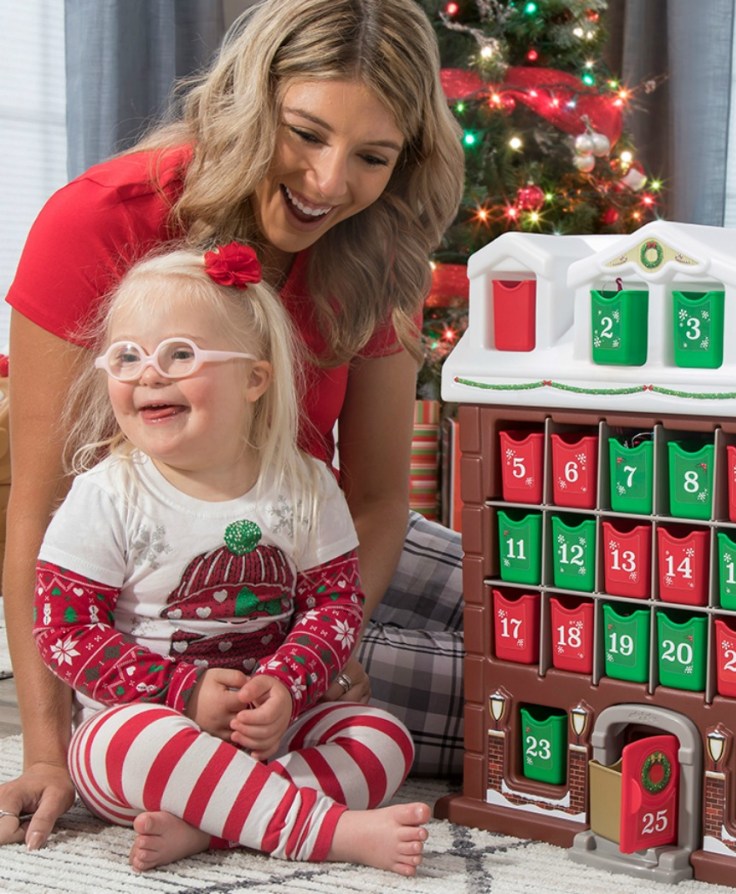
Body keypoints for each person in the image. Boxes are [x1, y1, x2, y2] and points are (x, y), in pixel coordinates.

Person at [0, 0, 465, 852]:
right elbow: (40, 504)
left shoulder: (382, 250)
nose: (330, 182)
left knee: (553, 604)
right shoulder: (99, 219)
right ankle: (293, 816)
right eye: (306, 134)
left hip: (318, 542)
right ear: (250, 101)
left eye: (372, 157)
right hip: (164, 577)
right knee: (508, 691)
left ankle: (218, 808)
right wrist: (44, 748)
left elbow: (375, 499)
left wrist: (322, 646)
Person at [32, 242, 430, 874]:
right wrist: (180, 692)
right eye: (127, 357)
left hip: (267, 730)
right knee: (124, 744)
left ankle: (211, 830)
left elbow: (334, 607)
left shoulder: (307, 486)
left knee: (382, 740)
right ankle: (325, 832)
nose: (147, 375)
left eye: (179, 356)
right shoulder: (107, 493)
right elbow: (63, 630)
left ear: (253, 379)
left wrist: (288, 687)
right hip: (151, 731)